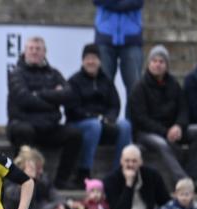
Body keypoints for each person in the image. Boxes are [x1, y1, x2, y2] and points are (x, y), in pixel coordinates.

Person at [6, 36, 83, 189]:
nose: (34, 52)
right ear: (25, 52)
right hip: (23, 124)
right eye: (31, 49)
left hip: (49, 127)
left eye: (38, 49)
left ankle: (61, 180)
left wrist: (39, 94)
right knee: (24, 131)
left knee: (75, 134)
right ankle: (22, 179)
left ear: (44, 52)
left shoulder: (53, 73)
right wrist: (52, 99)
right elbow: (23, 99)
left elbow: (68, 94)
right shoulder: (16, 73)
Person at [129, 45, 197, 182]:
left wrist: (178, 125)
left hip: (173, 129)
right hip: (146, 133)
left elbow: (183, 110)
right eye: (154, 61)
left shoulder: (174, 84)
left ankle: (193, 173)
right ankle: (183, 181)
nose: (157, 65)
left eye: (161, 61)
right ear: (148, 64)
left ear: (167, 65)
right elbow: (141, 119)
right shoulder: (139, 87)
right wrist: (165, 132)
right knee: (162, 144)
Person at [67, 43, 131, 174]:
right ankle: (84, 171)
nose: (91, 62)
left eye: (94, 58)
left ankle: (118, 171)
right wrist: (95, 117)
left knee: (125, 125)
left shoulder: (106, 81)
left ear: (100, 61)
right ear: (83, 60)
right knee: (94, 126)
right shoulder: (74, 81)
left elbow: (115, 104)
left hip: (104, 123)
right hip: (80, 123)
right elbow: (72, 109)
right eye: (87, 58)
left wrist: (109, 118)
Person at [93, 0, 143, 95]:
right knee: (103, 86)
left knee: (135, 88)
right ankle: (106, 111)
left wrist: (113, 4)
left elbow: (137, 2)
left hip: (132, 36)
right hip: (105, 34)